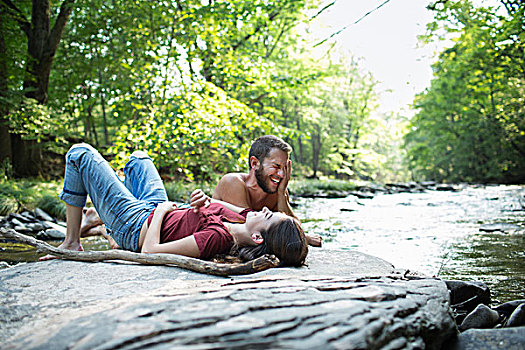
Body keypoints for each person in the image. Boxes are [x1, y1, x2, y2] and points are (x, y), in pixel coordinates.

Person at [40, 144, 308, 267]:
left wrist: (161, 213)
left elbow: (149, 252)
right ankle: (103, 213)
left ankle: (73, 240)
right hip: (158, 206)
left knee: (80, 154)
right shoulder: (245, 219)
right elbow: (290, 237)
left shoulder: (216, 239)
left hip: (136, 225)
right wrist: (202, 201)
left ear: (258, 236)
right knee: (139, 158)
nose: (266, 210)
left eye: (269, 216)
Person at [212, 135, 322, 247]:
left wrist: (281, 194)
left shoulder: (277, 192)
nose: (282, 175)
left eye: (285, 168)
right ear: (254, 163)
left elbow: (292, 229)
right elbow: (249, 230)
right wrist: (305, 238)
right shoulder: (233, 182)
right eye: (276, 166)